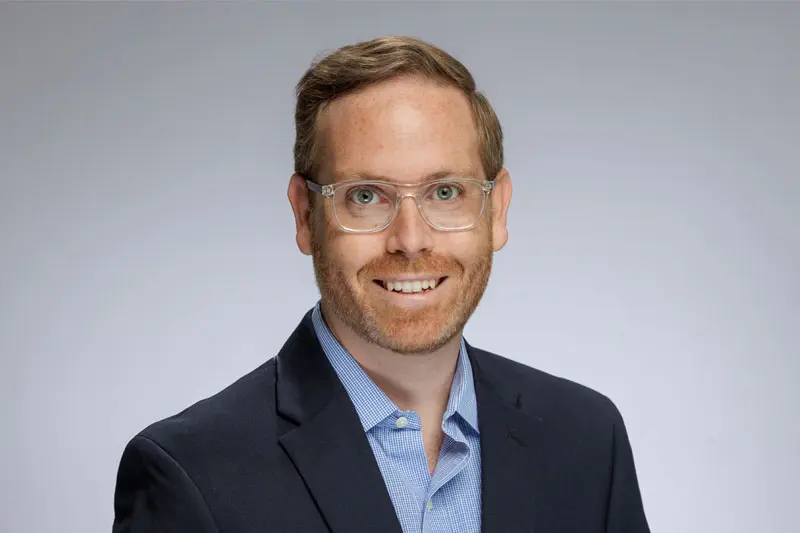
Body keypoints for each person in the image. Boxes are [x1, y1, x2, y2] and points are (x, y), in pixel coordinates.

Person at [112, 36, 650, 533]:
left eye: (445, 193)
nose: (411, 241)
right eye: (366, 196)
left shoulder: (587, 441)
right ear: (305, 216)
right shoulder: (189, 473)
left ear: (497, 209)